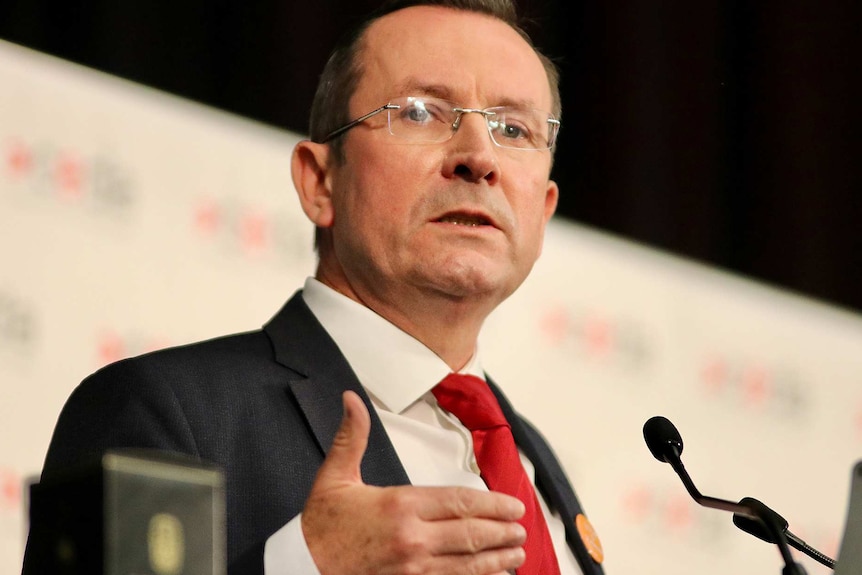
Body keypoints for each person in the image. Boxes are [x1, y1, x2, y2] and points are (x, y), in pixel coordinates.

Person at [23, 1, 605, 574]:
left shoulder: (533, 459)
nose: (479, 158)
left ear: (544, 209)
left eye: (513, 128)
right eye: (422, 112)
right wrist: (304, 566)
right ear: (320, 181)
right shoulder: (164, 411)